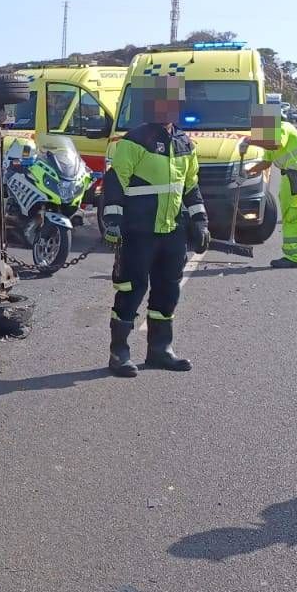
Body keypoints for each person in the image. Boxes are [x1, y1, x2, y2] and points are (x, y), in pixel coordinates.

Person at [101, 73, 210, 376]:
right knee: (130, 290)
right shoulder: (134, 141)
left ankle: (160, 351)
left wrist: (200, 220)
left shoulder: (185, 144)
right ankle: (119, 353)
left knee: (168, 291)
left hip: (172, 232)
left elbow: (190, 187)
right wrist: (112, 222)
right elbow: (115, 183)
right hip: (138, 233)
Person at [241, 104, 297, 267]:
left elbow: (275, 144)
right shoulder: (269, 135)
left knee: (291, 216)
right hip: (290, 177)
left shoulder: (284, 128)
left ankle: (292, 257)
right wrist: (247, 172)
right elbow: (267, 161)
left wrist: (251, 141)